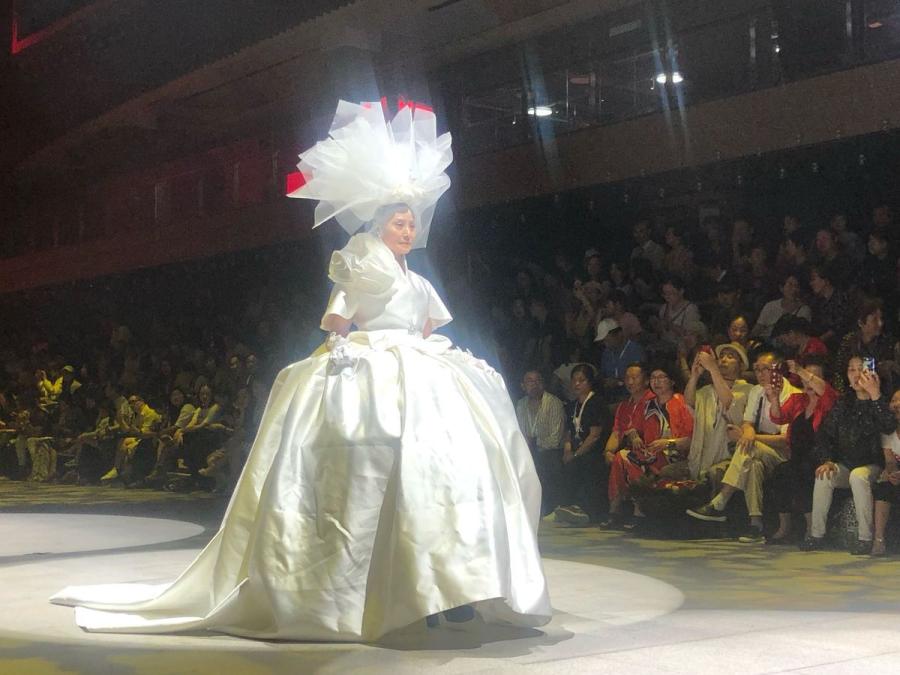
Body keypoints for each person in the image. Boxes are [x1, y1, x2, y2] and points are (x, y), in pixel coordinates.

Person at [52, 100, 551, 640]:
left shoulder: (418, 282)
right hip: (375, 371)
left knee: (449, 473)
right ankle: (408, 589)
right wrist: (349, 348)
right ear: (381, 226)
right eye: (399, 223)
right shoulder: (362, 268)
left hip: (423, 374)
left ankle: (453, 583)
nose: (408, 230)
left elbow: (426, 328)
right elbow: (334, 319)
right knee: (385, 477)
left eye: (411, 222)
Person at [686, 352, 797, 542]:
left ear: (778, 369)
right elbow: (747, 422)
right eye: (757, 369)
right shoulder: (757, 391)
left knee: (748, 446)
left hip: (784, 454)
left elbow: (786, 439)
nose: (761, 374)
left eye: (765, 369)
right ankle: (756, 526)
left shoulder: (792, 394)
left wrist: (751, 436)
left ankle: (721, 500)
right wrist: (748, 432)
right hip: (759, 450)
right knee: (752, 464)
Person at [800, 356, 895, 553]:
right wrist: (827, 460)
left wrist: (875, 394)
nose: (856, 373)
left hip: (874, 464)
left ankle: (865, 538)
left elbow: (889, 426)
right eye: (851, 369)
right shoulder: (843, 404)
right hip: (845, 462)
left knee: (858, 476)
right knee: (824, 476)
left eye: (861, 368)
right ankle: (817, 534)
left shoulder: (879, 401)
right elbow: (824, 436)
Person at [606, 364, 692, 525]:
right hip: (652, 453)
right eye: (653, 378)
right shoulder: (648, 404)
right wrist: (633, 436)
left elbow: (691, 439)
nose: (656, 382)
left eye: (661, 378)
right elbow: (631, 429)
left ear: (672, 381)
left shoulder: (681, 402)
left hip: (674, 454)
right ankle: (623, 509)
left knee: (627, 458)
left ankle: (634, 511)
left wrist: (667, 443)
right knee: (622, 456)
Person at [766, 358, 837, 544]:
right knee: (781, 472)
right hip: (797, 456)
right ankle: (784, 527)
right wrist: (774, 398)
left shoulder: (829, 401)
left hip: (821, 456)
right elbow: (778, 418)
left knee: (801, 471)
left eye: (814, 377)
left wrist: (800, 370)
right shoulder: (799, 400)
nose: (809, 381)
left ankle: (810, 526)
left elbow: (826, 391)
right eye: (805, 377)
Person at [684, 342, 754, 480]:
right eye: (721, 356)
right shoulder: (706, 391)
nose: (723, 359)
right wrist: (694, 376)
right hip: (704, 457)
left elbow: (729, 403)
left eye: (730, 356)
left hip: (729, 457)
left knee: (715, 475)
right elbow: (689, 402)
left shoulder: (748, 390)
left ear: (741, 366)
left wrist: (713, 369)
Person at [555, 364, 610, 525]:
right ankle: (564, 505)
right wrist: (567, 449)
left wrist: (576, 454)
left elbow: (594, 435)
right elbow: (569, 431)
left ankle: (586, 509)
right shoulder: (573, 405)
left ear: (590, 382)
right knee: (559, 462)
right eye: (574, 381)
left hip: (594, 450)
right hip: (577, 447)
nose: (577, 384)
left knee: (585, 463)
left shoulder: (596, 402)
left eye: (582, 380)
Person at [515, 369, 567, 516]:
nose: (535, 384)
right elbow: (519, 431)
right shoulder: (520, 405)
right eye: (530, 381)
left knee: (545, 461)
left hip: (549, 450)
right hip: (527, 450)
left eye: (538, 380)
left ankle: (551, 508)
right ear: (523, 386)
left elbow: (556, 437)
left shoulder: (553, 402)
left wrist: (535, 443)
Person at [871, 389, 900, 556]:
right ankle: (879, 540)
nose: (896, 404)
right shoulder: (888, 433)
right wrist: (892, 472)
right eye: (893, 401)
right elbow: (889, 460)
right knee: (884, 487)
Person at [751, 274, 812, 340]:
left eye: (796, 286)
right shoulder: (770, 306)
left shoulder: (804, 310)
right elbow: (758, 328)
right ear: (781, 288)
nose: (794, 289)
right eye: (790, 285)